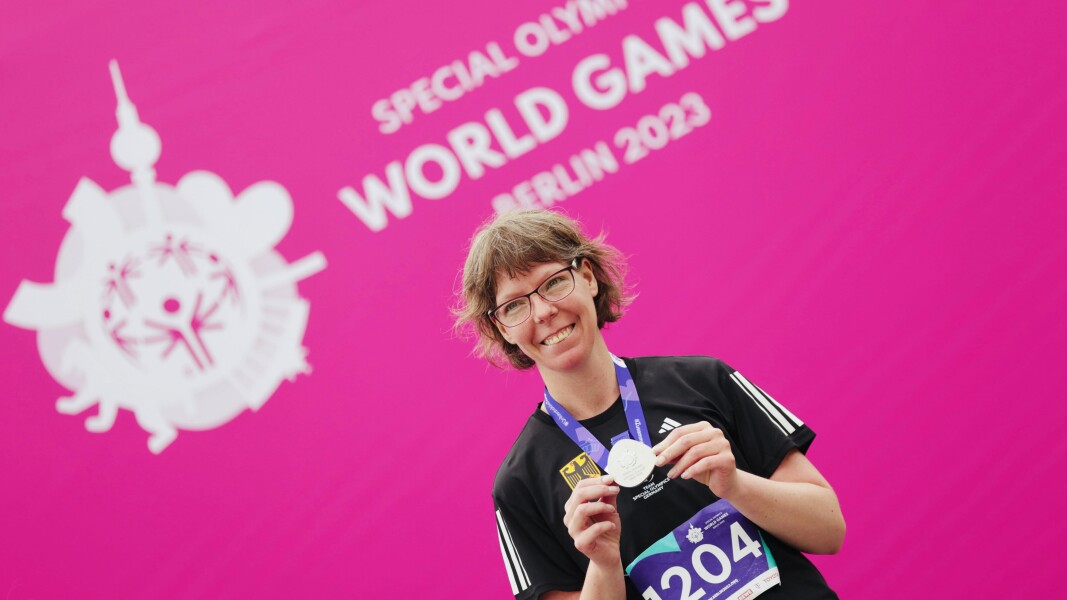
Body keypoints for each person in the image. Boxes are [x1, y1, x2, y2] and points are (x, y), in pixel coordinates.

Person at [453, 209, 845, 600]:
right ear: (501, 327)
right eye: (514, 306)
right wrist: (603, 565)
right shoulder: (520, 483)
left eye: (554, 283)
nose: (543, 312)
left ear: (588, 276)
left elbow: (829, 530)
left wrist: (736, 485)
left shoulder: (704, 380)